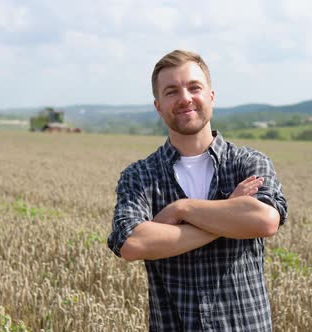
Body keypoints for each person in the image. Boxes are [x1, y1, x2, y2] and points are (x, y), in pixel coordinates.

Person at [107, 49, 288, 331]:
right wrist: (229, 211)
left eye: (194, 87)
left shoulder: (248, 163)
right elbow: (132, 244)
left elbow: (264, 220)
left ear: (211, 96)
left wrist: (182, 209)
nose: (185, 98)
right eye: (171, 91)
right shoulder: (139, 176)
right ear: (158, 106)